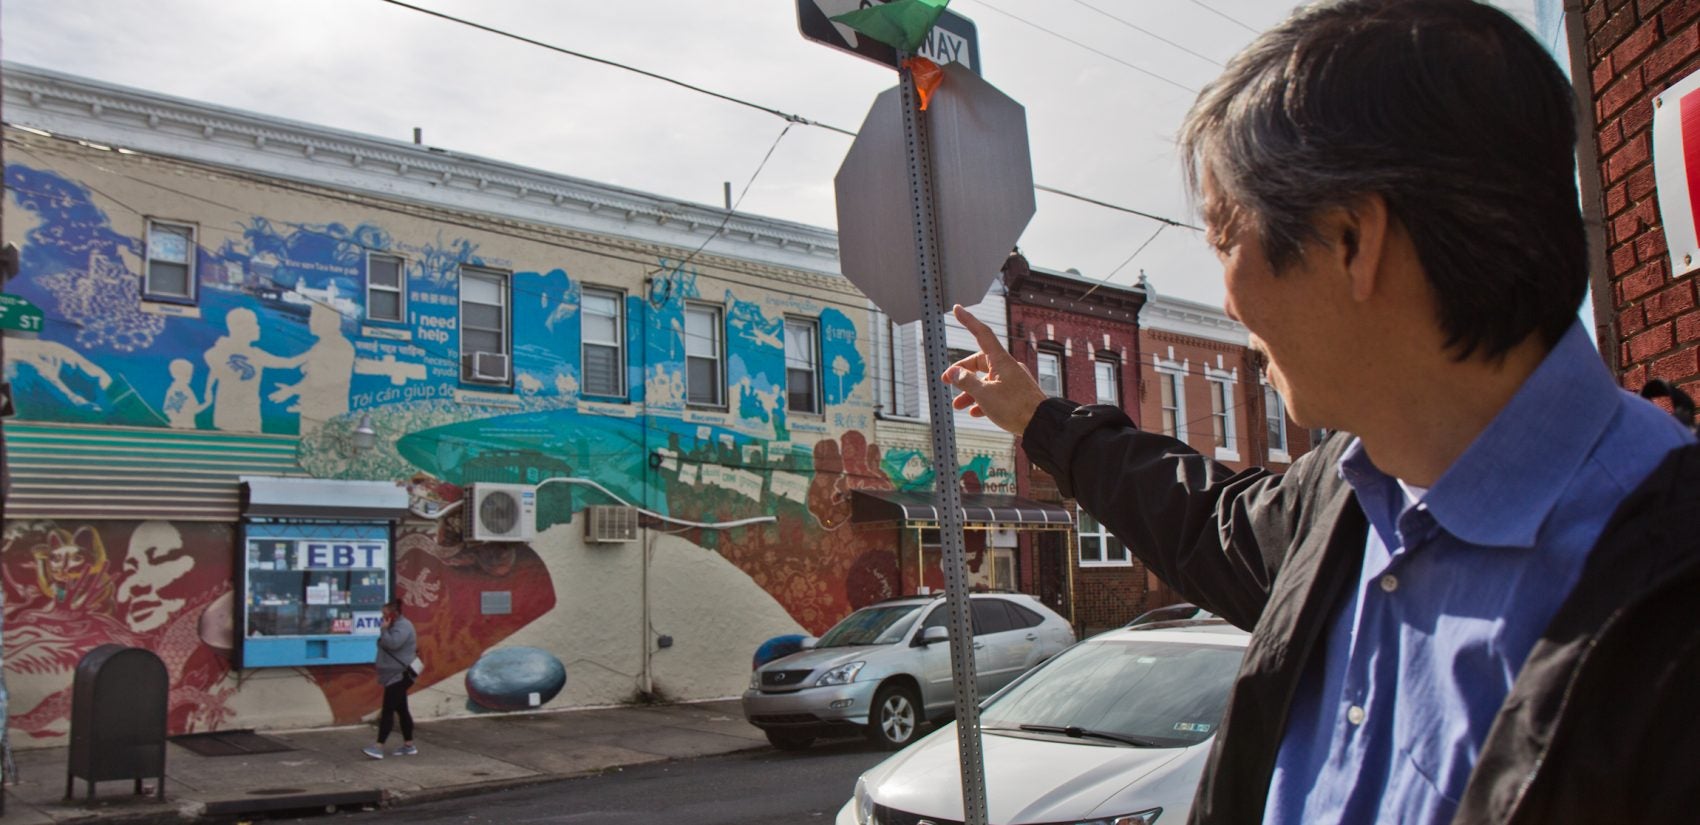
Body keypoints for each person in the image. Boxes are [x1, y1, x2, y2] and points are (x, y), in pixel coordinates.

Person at [941, 2, 1700, 823]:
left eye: (1227, 238)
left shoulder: (1666, 620)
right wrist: (1037, 417)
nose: (1228, 301)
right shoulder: (1343, 503)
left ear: (1350, 240)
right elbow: (1199, 515)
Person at [365, 599, 418, 759]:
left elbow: (393, 644)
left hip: (399, 675)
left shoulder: (403, 626)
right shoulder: (395, 626)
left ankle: (378, 747)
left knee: (388, 710)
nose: (383, 617)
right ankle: (409, 745)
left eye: (385, 614)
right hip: (394, 674)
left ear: (393, 615)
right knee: (402, 710)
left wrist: (384, 630)